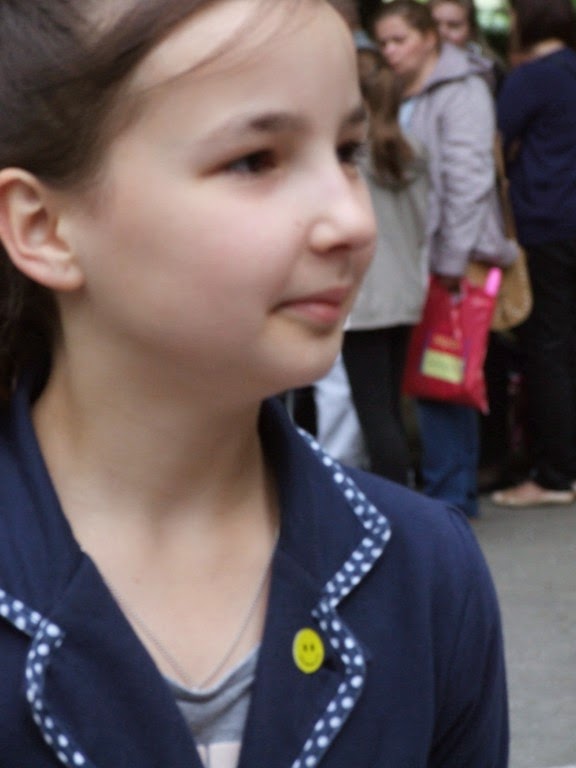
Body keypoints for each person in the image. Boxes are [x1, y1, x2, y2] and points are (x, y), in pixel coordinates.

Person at [0, 1, 508, 766]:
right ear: (44, 227)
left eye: (347, 151)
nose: (351, 221)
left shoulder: (426, 571)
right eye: (255, 161)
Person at [370, 0, 516, 519]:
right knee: (441, 373)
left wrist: (450, 260)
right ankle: (450, 493)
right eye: (383, 42)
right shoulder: (405, 89)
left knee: (444, 374)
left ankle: (448, 498)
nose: (389, 52)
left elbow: (468, 181)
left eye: (399, 40)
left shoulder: (461, 88)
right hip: (418, 252)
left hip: (454, 254)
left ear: (429, 37)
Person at [491, 0, 576, 507]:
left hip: (547, 221)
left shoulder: (531, 77)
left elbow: (496, 144)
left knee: (547, 348)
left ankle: (555, 476)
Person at [341, 56, 429, 484]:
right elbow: (424, 222)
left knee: (374, 414)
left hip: (366, 299)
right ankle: (403, 494)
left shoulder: (353, 157)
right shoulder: (414, 150)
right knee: (390, 407)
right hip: (406, 293)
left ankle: (393, 504)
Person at [428, 0, 506, 92]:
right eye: (434, 24)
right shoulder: (414, 68)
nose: (442, 33)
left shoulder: (489, 72)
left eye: (453, 25)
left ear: (471, 31)